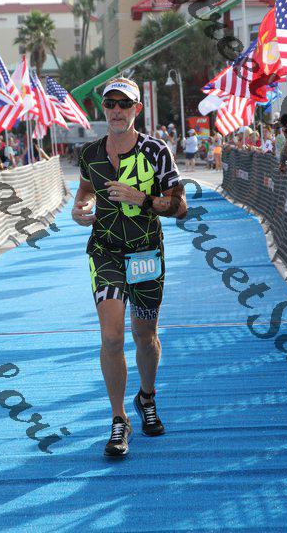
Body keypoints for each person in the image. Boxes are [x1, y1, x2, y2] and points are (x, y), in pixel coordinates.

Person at [72, 77, 187, 457]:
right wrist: (80, 208)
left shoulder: (156, 151)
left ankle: (147, 396)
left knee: (145, 335)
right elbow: (86, 189)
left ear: (138, 108)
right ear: (103, 109)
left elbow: (180, 207)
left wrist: (142, 198)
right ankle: (119, 419)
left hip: (145, 254)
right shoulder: (90, 153)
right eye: (110, 104)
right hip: (105, 251)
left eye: (124, 104)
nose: (117, 110)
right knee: (111, 337)